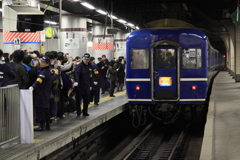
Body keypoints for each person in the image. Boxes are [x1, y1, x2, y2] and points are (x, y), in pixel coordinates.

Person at [30, 56, 52, 131]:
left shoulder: (43, 73)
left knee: (40, 109)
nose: (41, 63)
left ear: (47, 64)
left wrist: (32, 87)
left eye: (43, 62)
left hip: (41, 93)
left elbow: (38, 81)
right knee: (45, 108)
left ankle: (42, 125)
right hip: (45, 93)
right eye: (41, 62)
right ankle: (47, 125)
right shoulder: (47, 71)